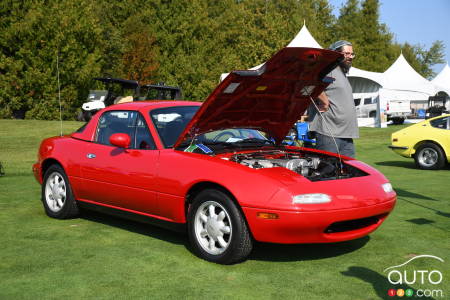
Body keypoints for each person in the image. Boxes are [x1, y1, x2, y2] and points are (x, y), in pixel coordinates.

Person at [308, 40, 359, 157]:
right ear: (336, 54)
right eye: (347, 54)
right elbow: (309, 82)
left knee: (349, 172)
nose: (350, 57)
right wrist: (324, 101)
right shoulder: (329, 69)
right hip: (329, 133)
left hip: (346, 135)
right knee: (328, 171)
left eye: (352, 54)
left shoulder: (341, 72)